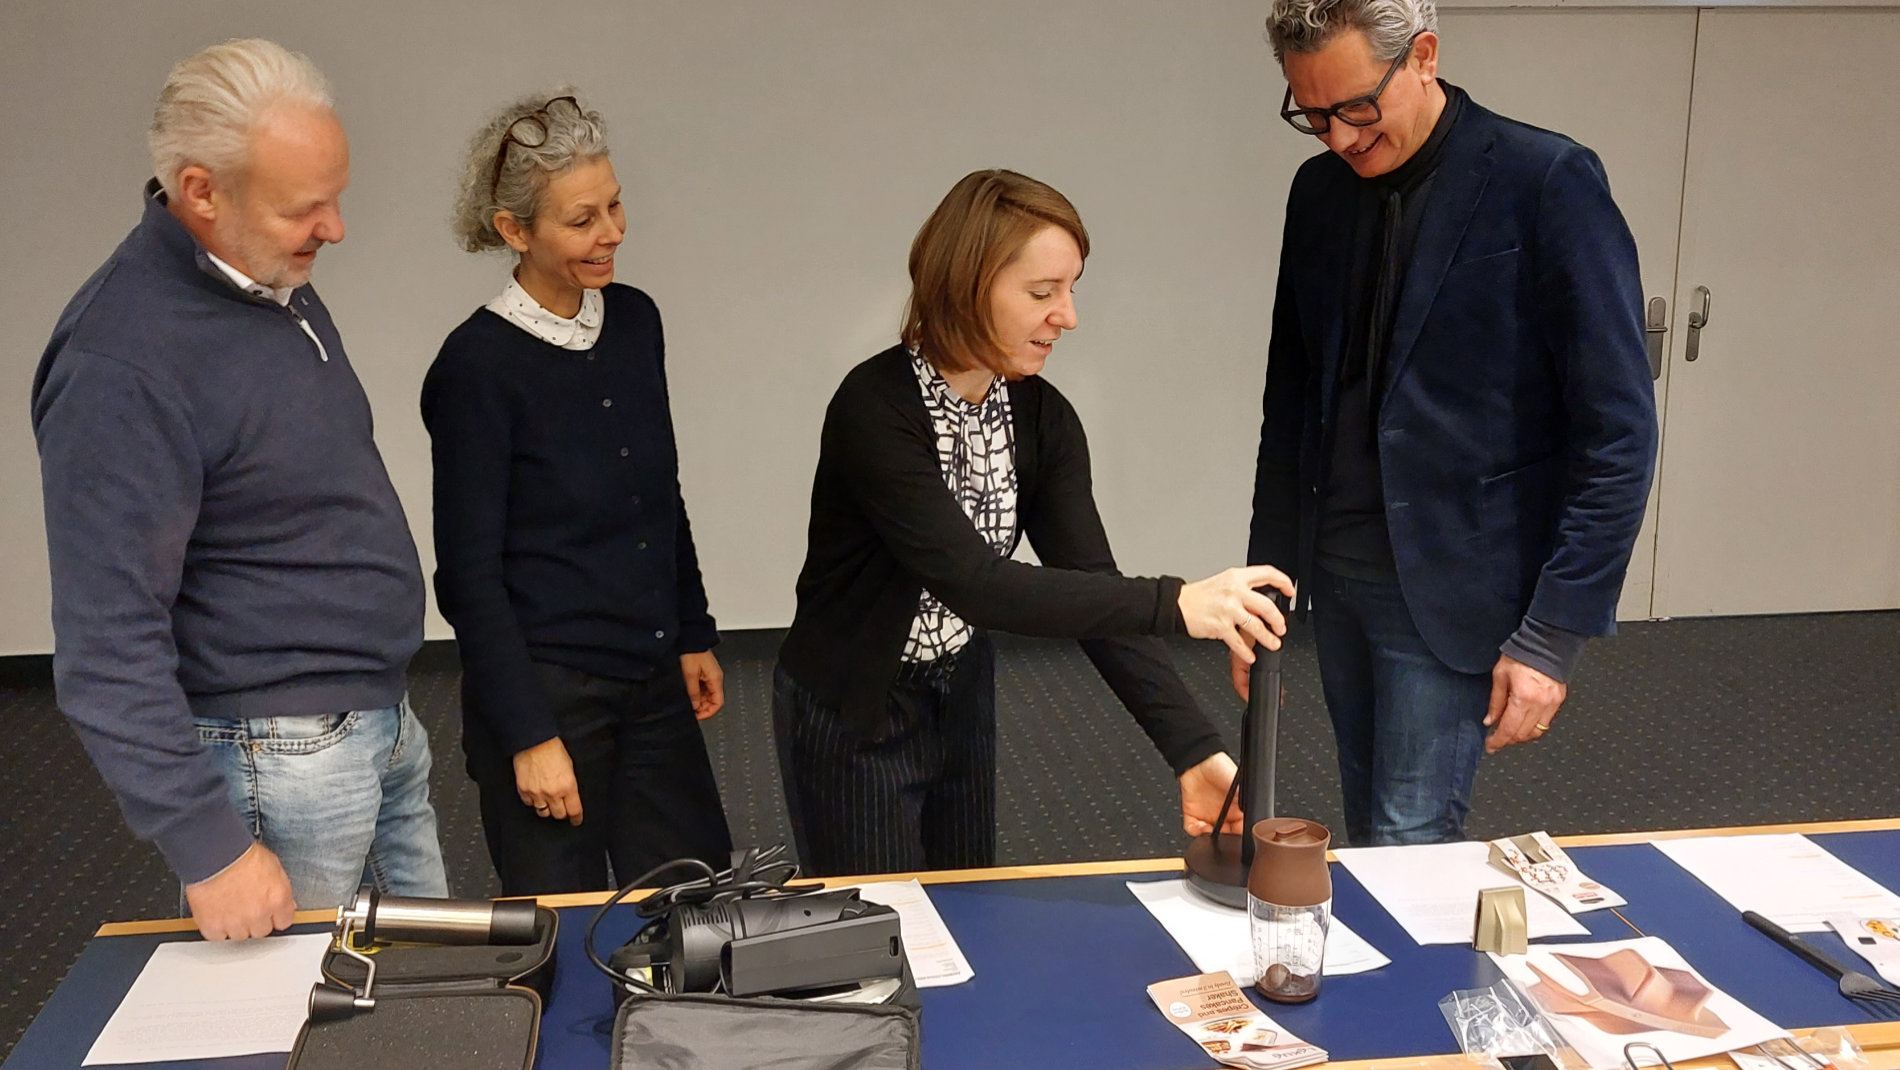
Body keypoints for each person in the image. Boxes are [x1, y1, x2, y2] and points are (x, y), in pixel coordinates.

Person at [31, 39, 447, 939]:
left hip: (373, 726)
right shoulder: (120, 364)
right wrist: (210, 849)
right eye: (306, 207)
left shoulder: (271, 282)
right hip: (279, 762)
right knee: (298, 1034)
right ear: (201, 191)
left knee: (431, 1005)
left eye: (336, 197)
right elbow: (105, 647)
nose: (334, 228)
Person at [775, 169, 1294, 877]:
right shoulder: (875, 408)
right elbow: (977, 584)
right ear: (966, 284)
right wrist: (1177, 602)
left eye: (1071, 289)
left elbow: (1089, 587)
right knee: (877, 935)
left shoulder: (1042, 418)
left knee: (965, 908)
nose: (1069, 316)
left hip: (957, 691)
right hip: (853, 707)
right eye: (1043, 293)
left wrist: (1193, 750)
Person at [1244, 0, 1659, 845]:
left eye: (1357, 108)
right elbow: (1290, 403)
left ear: (1423, 56)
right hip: (1335, 574)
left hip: (1452, 589)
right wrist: (1266, 590)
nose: (1339, 139)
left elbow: (1618, 430)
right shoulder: (1318, 192)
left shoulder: (1544, 181)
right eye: (1311, 114)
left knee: (1410, 842)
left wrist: (1552, 636)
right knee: (1368, 840)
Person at [422, 93, 732, 896]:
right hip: (546, 691)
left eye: (616, 205)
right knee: (558, 933)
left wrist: (692, 629)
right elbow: (467, 576)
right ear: (513, 231)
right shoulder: (477, 368)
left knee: (695, 911)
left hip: (652, 674)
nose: (613, 233)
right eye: (582, 219)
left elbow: (659, 494)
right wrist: (529, 735)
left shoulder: (635, 322)